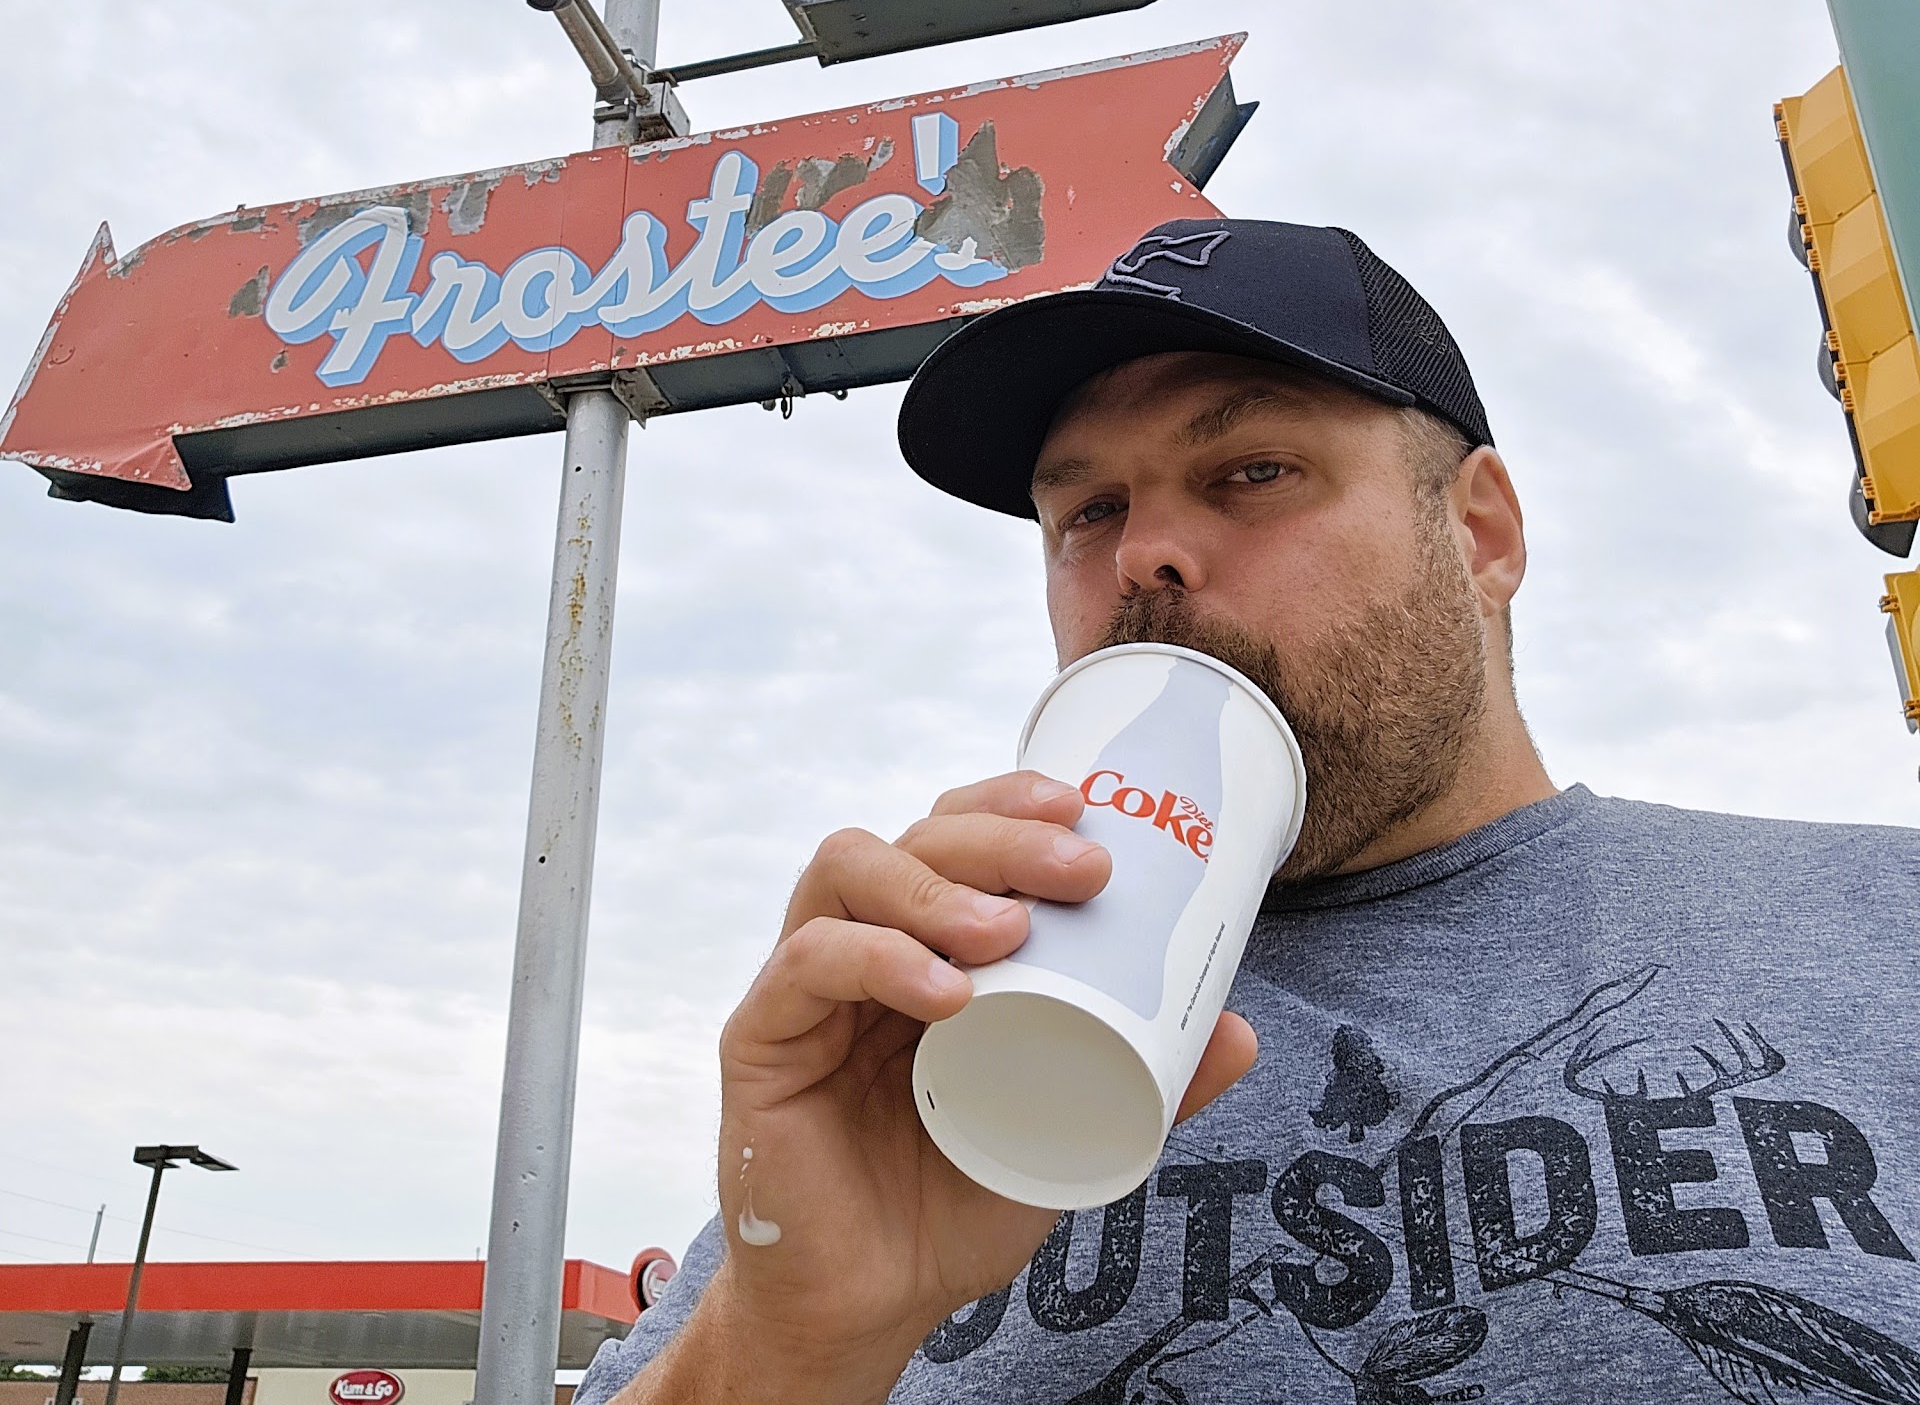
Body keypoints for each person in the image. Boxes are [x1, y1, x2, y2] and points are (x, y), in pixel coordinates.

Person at [580, 218, 1920, 1404]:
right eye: (1087, 510)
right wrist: (787, 1347)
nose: (1141, 555)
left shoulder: (1881, 926)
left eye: (1252, 472)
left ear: (1481, 533)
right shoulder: (922, 1029)